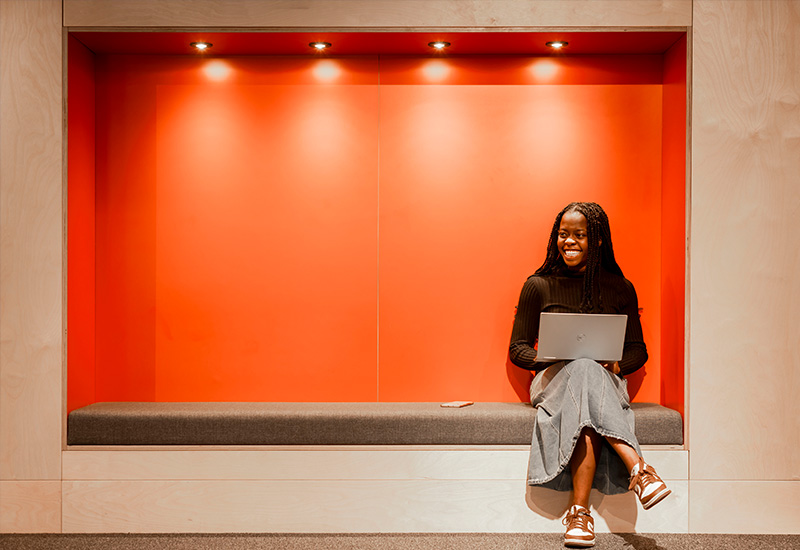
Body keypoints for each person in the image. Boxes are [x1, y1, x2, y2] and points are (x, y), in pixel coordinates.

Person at [509, 202, 670, 548]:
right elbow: (518, 348)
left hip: (604, 381)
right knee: (581, 367)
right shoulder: (538, 285)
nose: (569, 241)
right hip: (551, 382)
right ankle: (639, 469)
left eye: (578, 235)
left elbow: (637, 350)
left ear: (596, 240)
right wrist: (551, 357)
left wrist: (616, 366)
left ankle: (579, 514)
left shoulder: (620, 287)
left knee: (587, 374)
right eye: (563, 235)